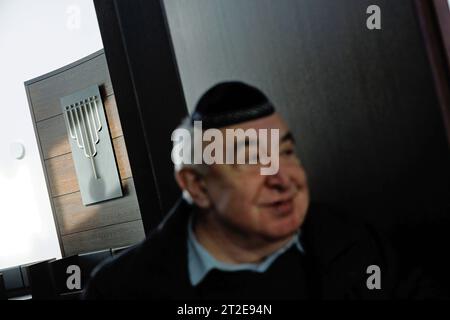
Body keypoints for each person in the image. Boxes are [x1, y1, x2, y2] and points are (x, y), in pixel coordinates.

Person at [84, 81, 434, 299]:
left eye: (285, 152)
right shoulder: (121, 290)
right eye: (252, 159)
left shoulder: (356, 245)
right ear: (197, 184)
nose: (283, 178)